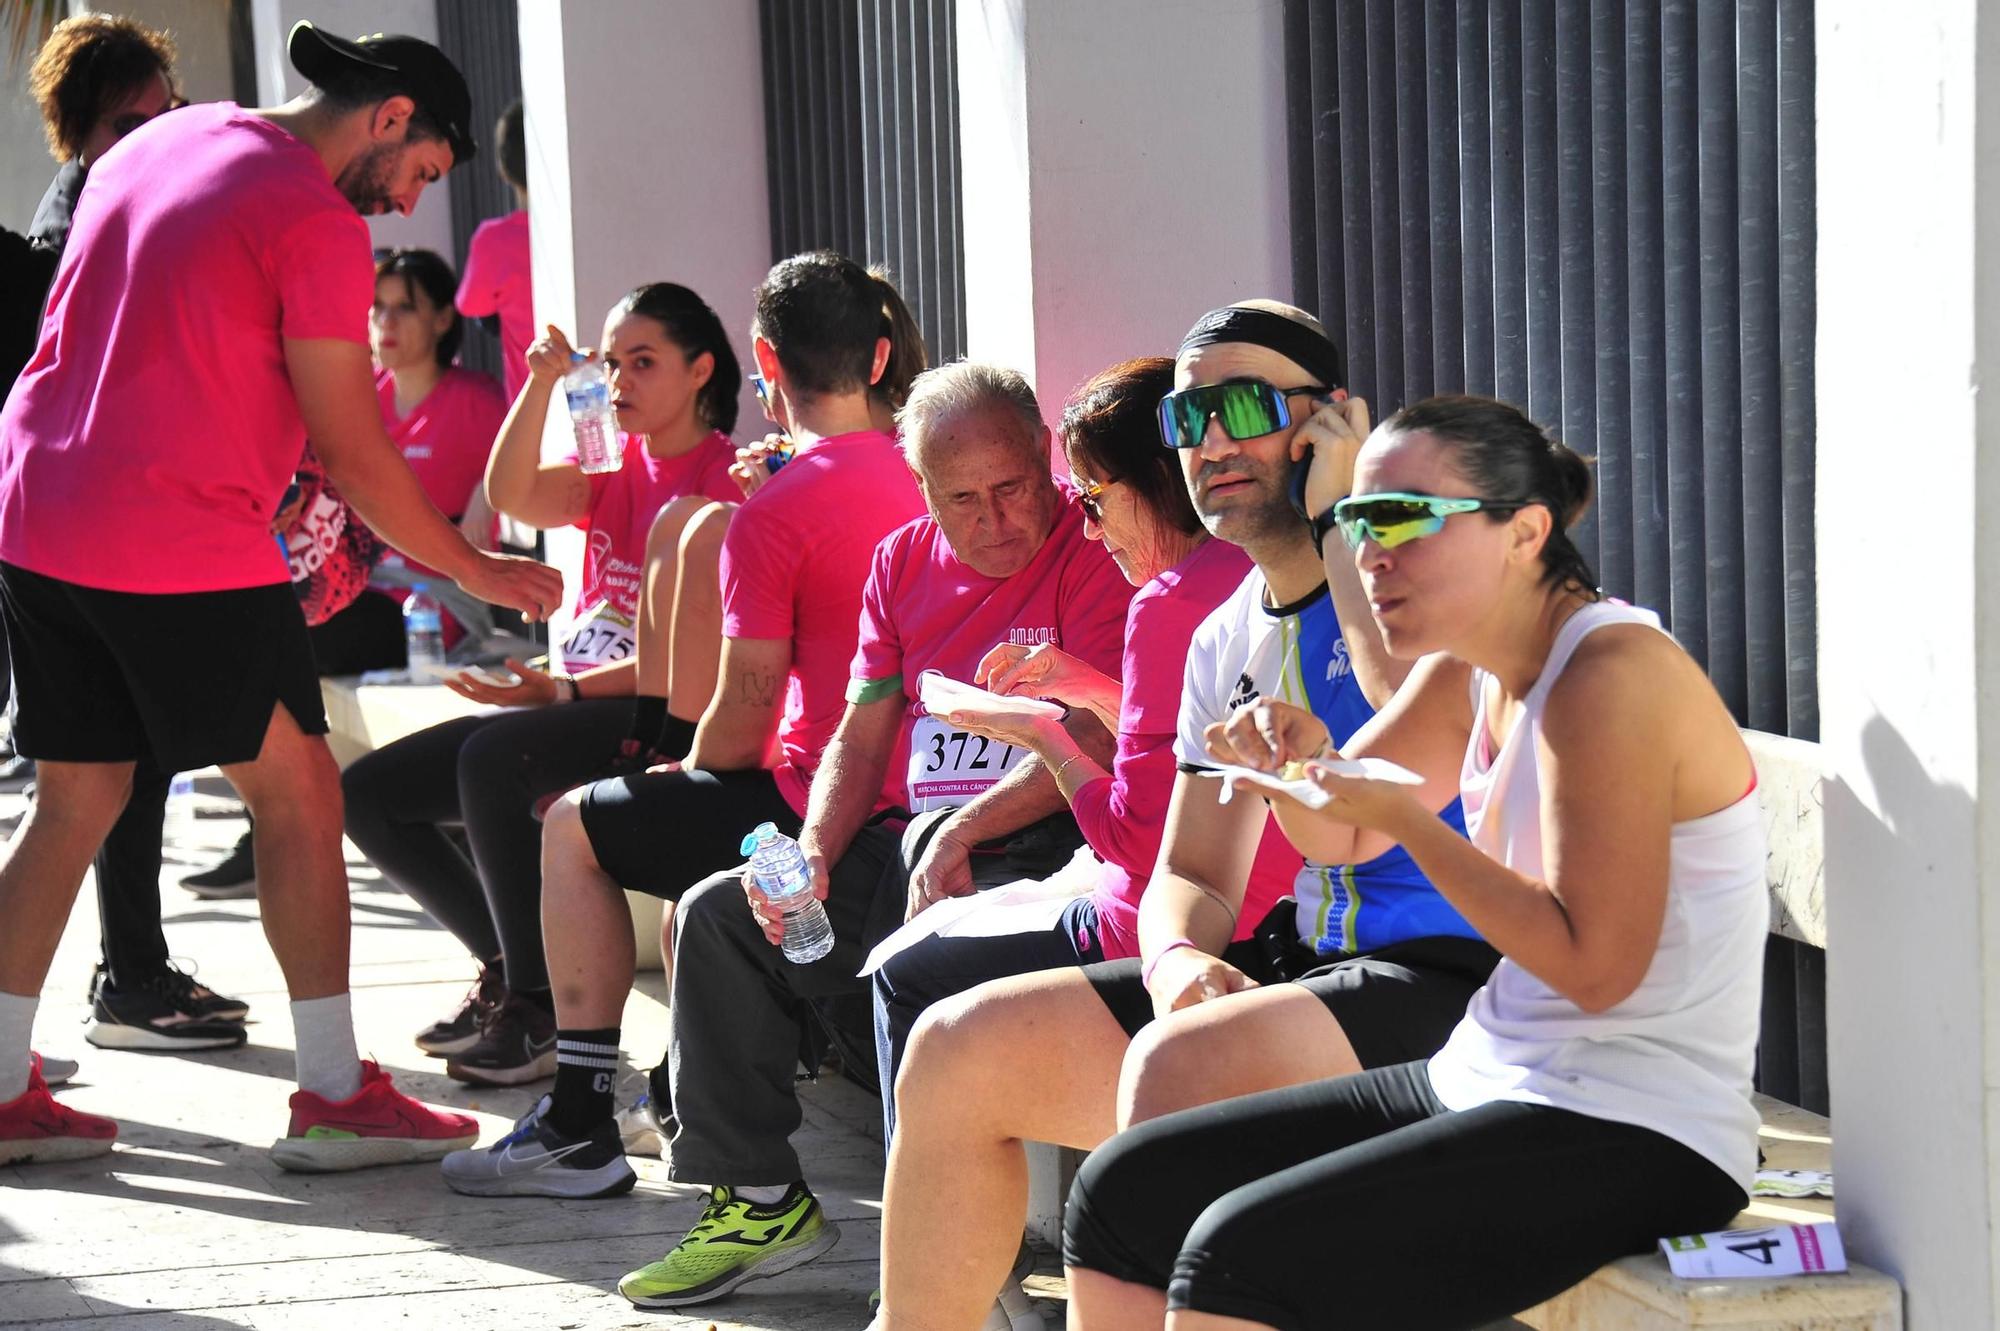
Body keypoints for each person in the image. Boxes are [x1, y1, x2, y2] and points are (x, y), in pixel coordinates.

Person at [1062, 393, 1767, 1330]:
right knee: (1123, 1196)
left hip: (1641, 1120)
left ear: (1525, 533)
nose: (1368, 551)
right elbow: (1343, 832)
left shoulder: (1609, 675)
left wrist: (1416, 823)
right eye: (1356, 517)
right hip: (1495, 1069)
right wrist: (1291, 766)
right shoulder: (1468, 663)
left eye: (1403, 519)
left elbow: (1597, 969)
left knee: (1237, 1260)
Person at [0, 21, 562, 1170]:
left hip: (34, 504)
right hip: (171, 529)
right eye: (421, 172)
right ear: (392, 115)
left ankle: (1, 1085)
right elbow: (353, 451)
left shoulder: (170, 136)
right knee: (302, 794)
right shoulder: (311, 218)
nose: (408, 203)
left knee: (74, 798)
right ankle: (334, 1095)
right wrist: (477, 567)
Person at [873, 304, 1493, 1331]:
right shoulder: (1224, 631)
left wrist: (1345, 517)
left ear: (1331, 422)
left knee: (1168, 1086)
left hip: (1472, 980)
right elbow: (1192, 873)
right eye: (1185, 416)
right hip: (1316, 970)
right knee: (951, 1045)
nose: (1209, 439)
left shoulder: (1425, 569)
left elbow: (1386, 771)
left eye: (1243, 404)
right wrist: (1172, 961)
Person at [438, 248, 932, 1180]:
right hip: (924, 790)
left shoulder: (776, 506)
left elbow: (742, 721)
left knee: (579, 825)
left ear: (761, 362)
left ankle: (580, 1117)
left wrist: (681, 767)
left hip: (822, 800)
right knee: (680, 876)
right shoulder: (923, 470)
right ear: (876, 359)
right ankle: (667, 1095)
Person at [868, 357, 1304, 1152]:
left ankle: (940, 1244)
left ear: (1154, 482)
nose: (1090, 527)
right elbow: (1193, 743)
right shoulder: (1251, 571)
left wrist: (1042, 733)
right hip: (1260, 910)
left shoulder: (1167, 603)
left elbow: (1133, 838)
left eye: (1097, 501)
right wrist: (1090, 686)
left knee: (908, 971)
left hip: (1172, 930)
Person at [340, 282, 743, 1085]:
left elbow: (705, 655)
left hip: (656, 706)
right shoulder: (611, 463)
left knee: (492, 761)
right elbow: (510, 493)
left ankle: (541, 1008)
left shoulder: (725, 478)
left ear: (701, 370)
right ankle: (509, 967)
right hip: (575, 693)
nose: (620, 380)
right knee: (370, 792)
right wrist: (539, 383)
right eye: (612, 361)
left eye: (644, 361)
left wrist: (564, 693)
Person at [184, 247, 510, 900]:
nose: (384, 323)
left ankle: (274, 831)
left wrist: (490, 489)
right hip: (354, 589)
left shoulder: (477, 402)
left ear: (445, 319)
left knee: (280, 646)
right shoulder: (362, 398)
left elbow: (515, 488)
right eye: (377, 308)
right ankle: (274, 823)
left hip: (435, 601)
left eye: (404, 308)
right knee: (257, 635)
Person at [457, 100, 532, 399]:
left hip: (533, 413)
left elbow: (472, 306)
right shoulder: (595, 232)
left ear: (503, 170)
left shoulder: (494, 240)